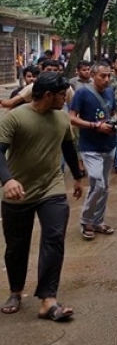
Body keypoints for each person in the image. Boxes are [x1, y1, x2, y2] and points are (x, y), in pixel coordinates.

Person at [0, 72, 83, 321]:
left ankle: (48, 300)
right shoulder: (15, 118)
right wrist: (8, 180)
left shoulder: (61, 117)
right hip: (18, 192)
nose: (64, 99)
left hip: (52, 187)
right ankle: (15, 291)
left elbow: (68, 146)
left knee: (54, 237)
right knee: (17, 246)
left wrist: (77, 177)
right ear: (47, 95)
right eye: (61, 94)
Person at [69, 61, 117, 240]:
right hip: (90, 147)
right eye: (102, 76)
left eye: (108, 76)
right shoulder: (82, 93)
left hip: (108, 145)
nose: (106, 79)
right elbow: (72, 118)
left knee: (104, 187)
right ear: (92, 75)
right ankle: (86, 220)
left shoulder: (111, 92)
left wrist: (114, 122)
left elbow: (113, 113)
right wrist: (95, 125)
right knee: (98, 183)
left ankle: (98, 221)